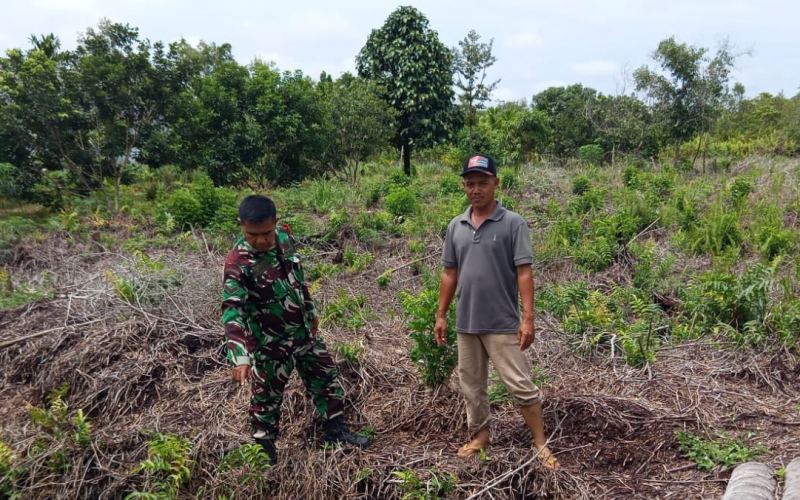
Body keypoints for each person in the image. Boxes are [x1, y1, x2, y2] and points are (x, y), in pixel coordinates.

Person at [222, 194, 370, 465]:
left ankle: (336, 433)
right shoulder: (238, 263)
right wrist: (239, 356)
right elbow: (233, 310)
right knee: (266, 401)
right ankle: (264, 455)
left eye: (266, 233)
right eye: (252, 235)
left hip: (303, 333)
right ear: (241, 226)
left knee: (326, 378)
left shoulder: (284, 238)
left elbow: (297, 277)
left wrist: (311, 312)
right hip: (269, 344)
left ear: (275, 223)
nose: (261, 241)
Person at [433, 155, 560, 470]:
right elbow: (450, 273)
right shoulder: (456, 226)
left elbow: (524, 273)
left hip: (502, 322)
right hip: (467, 322)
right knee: (471, 385)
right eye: (470, 183)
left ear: (495, 183)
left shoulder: (512, 223)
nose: (476, 189)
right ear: (464, 186)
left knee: (519, 383)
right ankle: (480, 437)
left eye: (483, 183)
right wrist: (441, 314)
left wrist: (528, 318)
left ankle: (540, 443)